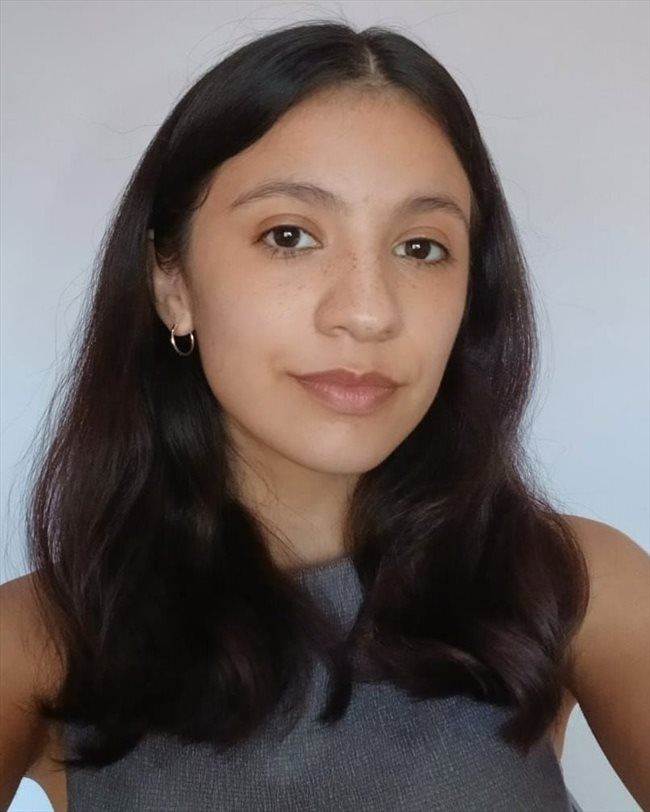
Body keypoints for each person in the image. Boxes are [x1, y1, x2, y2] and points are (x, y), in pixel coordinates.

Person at [0, 19, 648, 812]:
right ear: (172, 281)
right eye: (290, 235)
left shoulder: (574, 585)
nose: (369, 313)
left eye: (421, 247)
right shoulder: (36, 643)